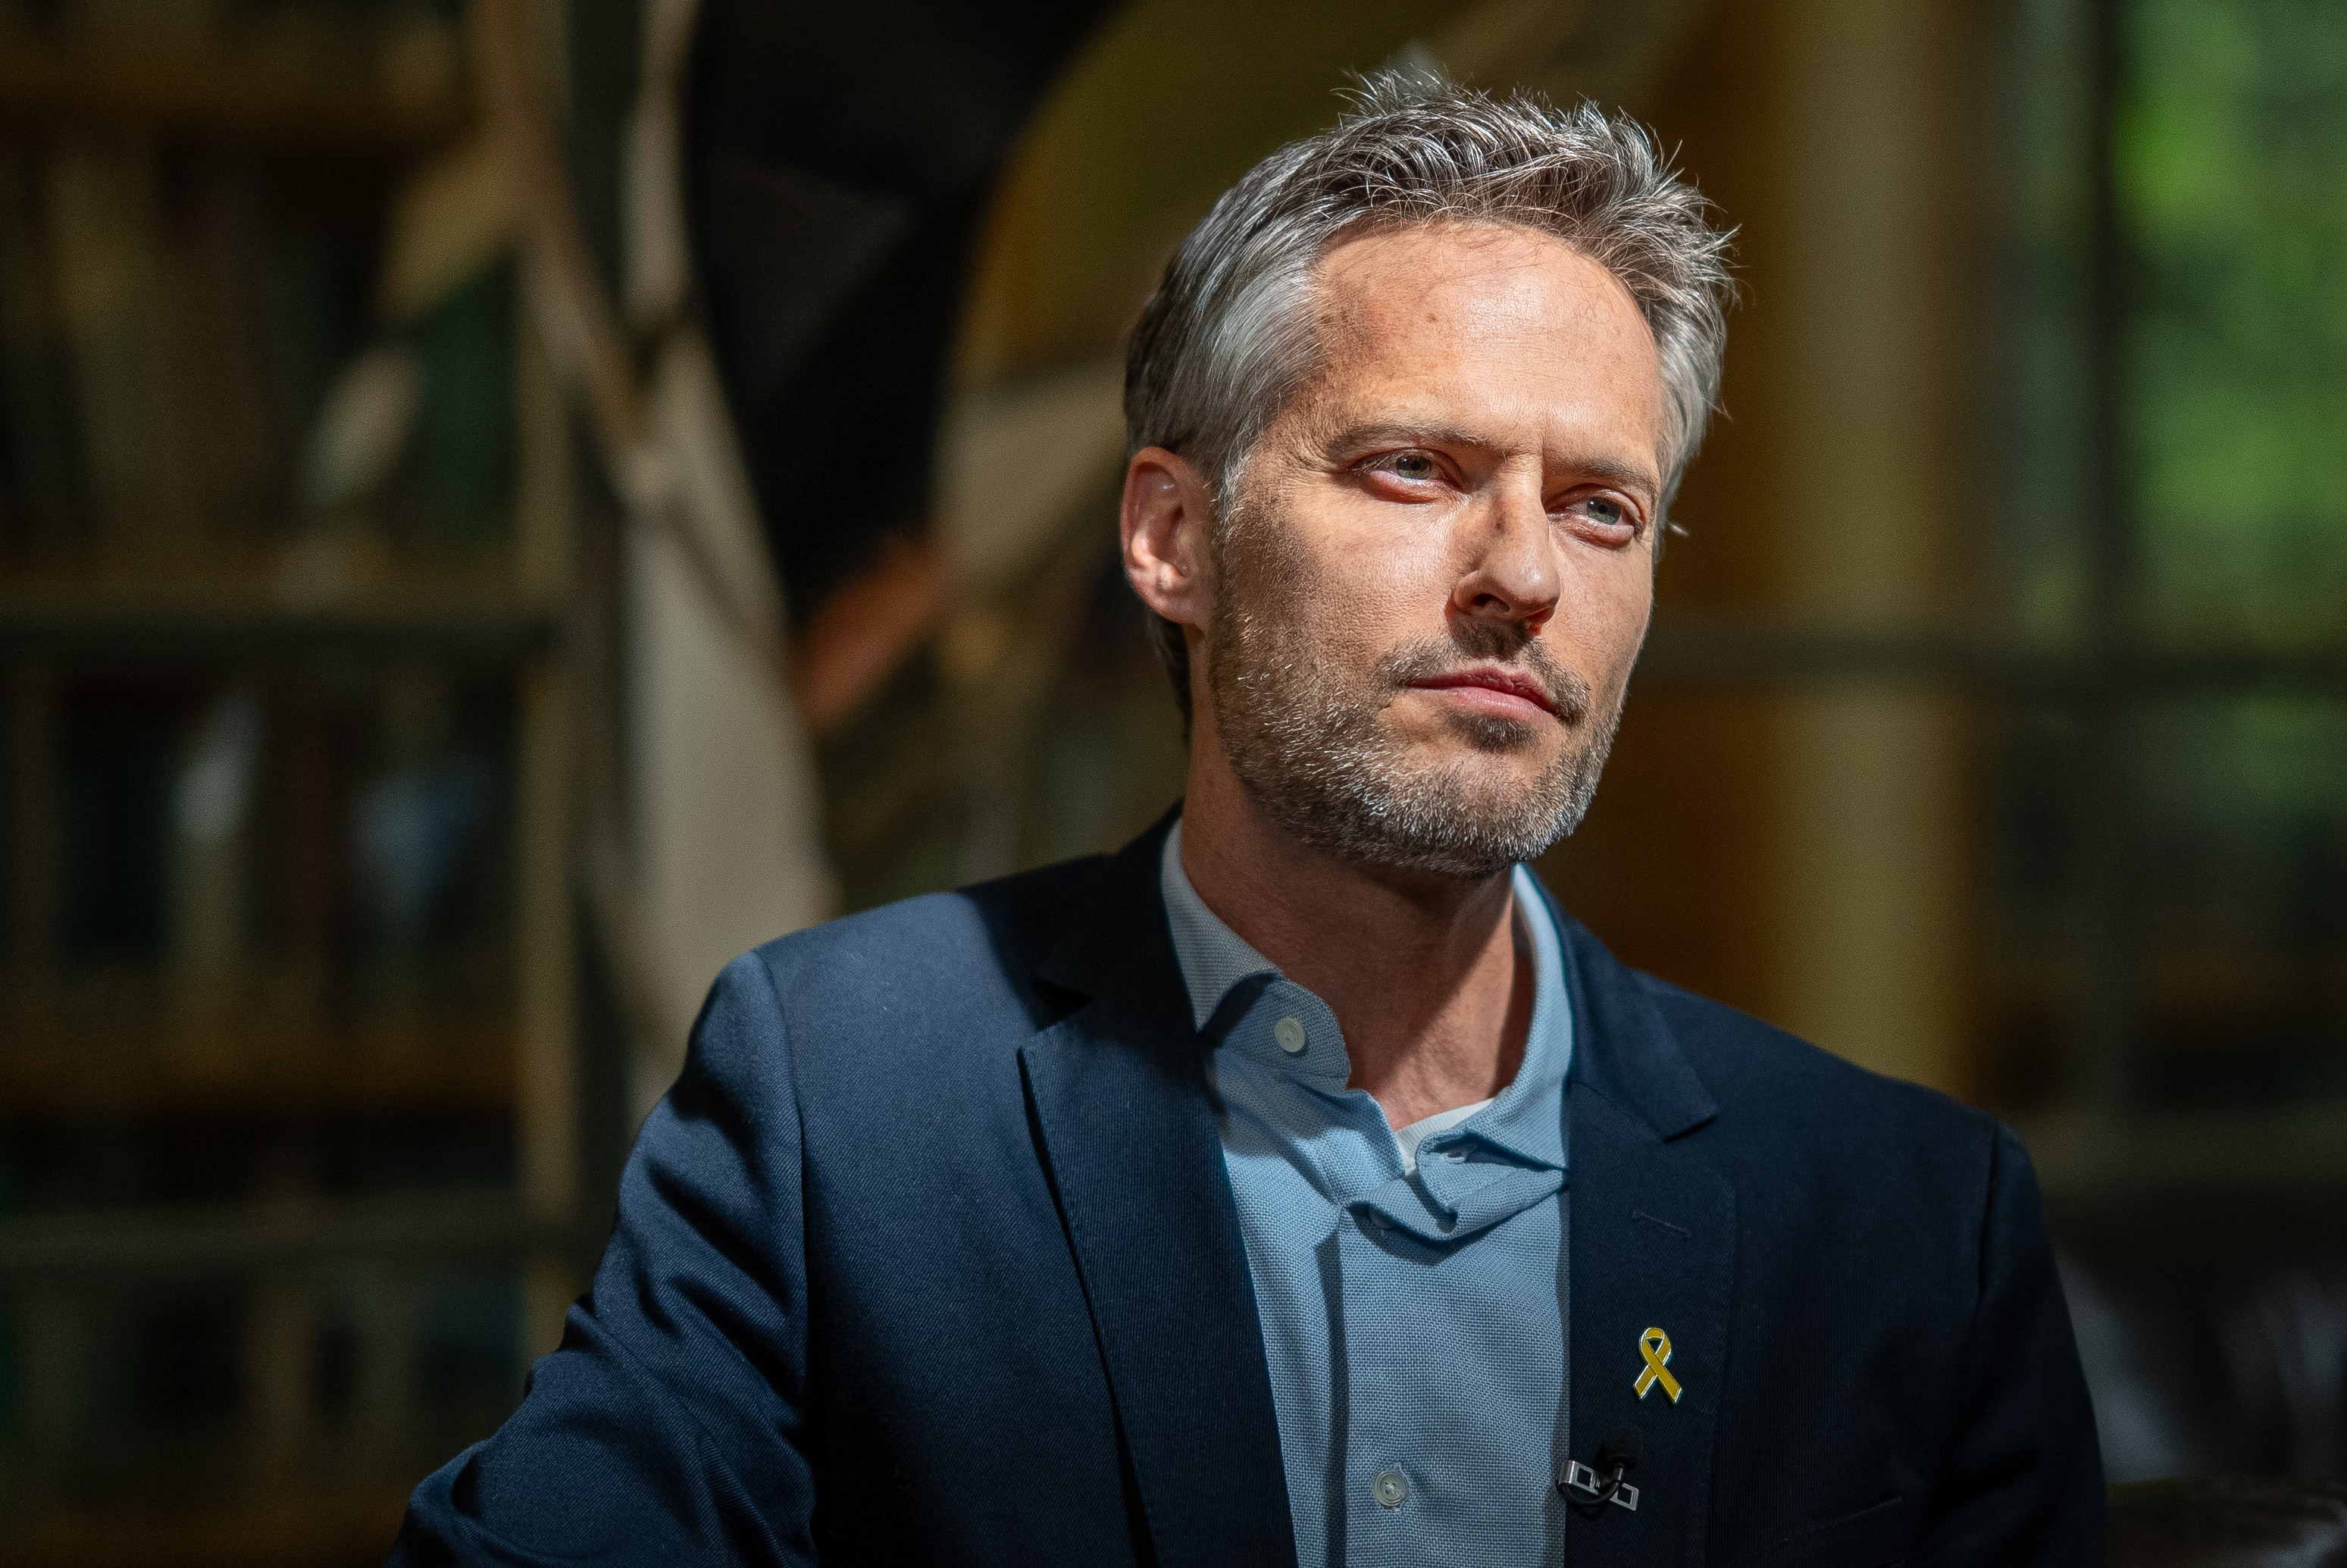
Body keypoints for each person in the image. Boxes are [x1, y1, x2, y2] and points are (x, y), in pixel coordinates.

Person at [390, 74, 2104, 1566]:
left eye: (1599, 507)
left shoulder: (1904, 1224)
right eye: (1414, 469)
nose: (1520, 574)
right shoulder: (843, 1102)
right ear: (1173, 540)